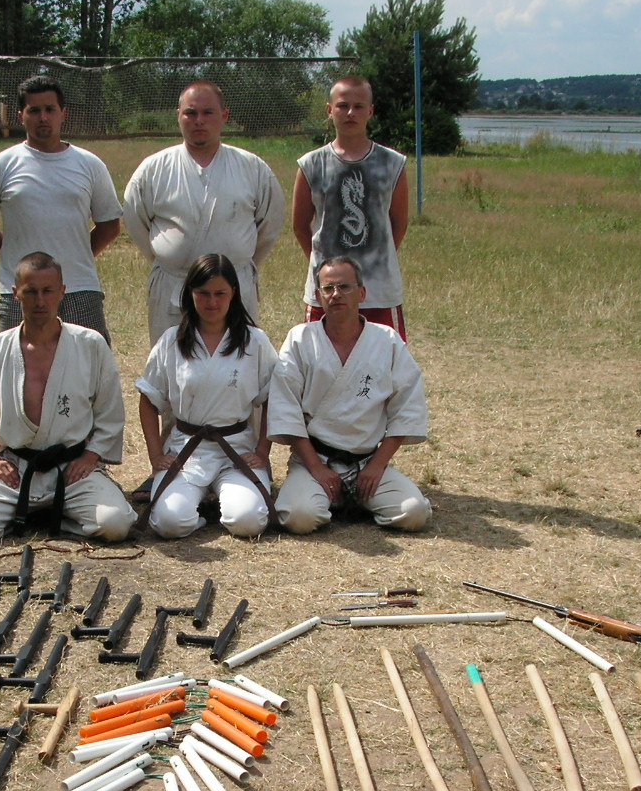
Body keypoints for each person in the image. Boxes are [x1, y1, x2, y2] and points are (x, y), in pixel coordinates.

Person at [0, 253, 136, 546]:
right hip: (17, 470)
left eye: (48, 291)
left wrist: (90, 456)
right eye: (30, 291)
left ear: (62, 291)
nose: (40, 301)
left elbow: (109, 410)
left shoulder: (89, 344)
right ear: (16, 294)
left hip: (72, 469)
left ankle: (52, 512)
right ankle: (40, 511)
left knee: (116, 525)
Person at [269, 257, 431, 534]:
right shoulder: (300, 339)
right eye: (328, 288)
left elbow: (408, 408)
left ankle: (359, 498)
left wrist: (378, 465)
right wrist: (316, 468)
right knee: (299, 517)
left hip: (367, 461)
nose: (336, 295)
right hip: (315, 460)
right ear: (318, 295)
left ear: (362, 293)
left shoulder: (387, 340)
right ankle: (334, 498)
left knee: (413, 513)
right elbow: (286, 410)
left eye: (344, 287)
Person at [123, 81, 285, 346]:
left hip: (234, 286)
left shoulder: (252, 168)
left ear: (224, 116)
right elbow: (135, 218)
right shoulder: (154, 169)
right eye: (190, 113)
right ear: (178, 115)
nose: (199, 120)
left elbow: (270, 223)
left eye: (208, 112)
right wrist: (167, 256)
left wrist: (241, 261)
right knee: (173, 364)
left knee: (237, 364)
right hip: (174, 284)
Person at [0, 75, 123, 339]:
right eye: (34, 110)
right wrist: (16, 261)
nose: (43, 117)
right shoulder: (1, 166)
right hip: (20, 290)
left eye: (50, 109)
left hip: (78, 287)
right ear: (21, 116)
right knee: (18, 368)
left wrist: (76, 254)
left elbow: (109, 225)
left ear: (63, 114)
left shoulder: (89, 165)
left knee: (88, 370)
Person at [137, 254, 281, 540]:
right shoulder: (172, 340)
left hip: (236, 449)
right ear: (190, 293)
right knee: (168, 523)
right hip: (186, 450)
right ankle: (200, 514)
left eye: (220, 293)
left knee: (248, 522)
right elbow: (148, 399)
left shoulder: (254, 342)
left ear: (233, 294)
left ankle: (224, 502)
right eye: (203, 293)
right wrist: (156, 455)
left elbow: (273, 399)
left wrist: (263, 452)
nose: (211, 302)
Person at [292, 76, 410, 340]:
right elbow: (301, 225)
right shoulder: (311, 164)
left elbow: (398, 223)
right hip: (327, 290)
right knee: (322, 364)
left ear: (370, 111)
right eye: (343, 105)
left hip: (379, 289)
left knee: (383, 367)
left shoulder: (392, 163)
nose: (350, 113)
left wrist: (376, 256)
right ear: (329, 110)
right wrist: (324, 266)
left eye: (359, 106)